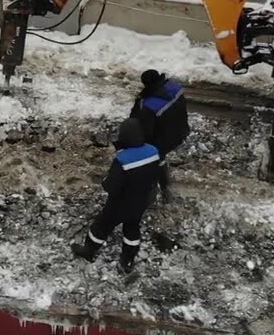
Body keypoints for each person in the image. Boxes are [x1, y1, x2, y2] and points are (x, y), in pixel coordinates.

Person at [72, 118, 160, 274]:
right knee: (132, 229)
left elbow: (111, 186)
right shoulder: (153, 151)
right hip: (142, 201)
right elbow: (158, 173)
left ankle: (89, 251)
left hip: (120, 203)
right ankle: (127, 261)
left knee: (101, 225)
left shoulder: (123, 159)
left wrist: (104, 180)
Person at [130, 69, 190, 204]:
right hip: (181, 130)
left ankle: (154, 195)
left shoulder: (148, 105)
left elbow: (143, 129)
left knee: (153, 163)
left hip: (162, 140)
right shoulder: (175, 87)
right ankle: (165, 190)